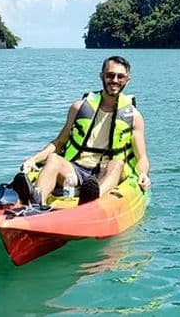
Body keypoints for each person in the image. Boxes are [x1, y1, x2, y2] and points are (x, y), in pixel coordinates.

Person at [20, 56, 150, 206]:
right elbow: (59, 142)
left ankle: (91, 200)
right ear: (102, 76)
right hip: (76, 169)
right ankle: (35, 204)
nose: (114, 80)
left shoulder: (134, 116)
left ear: (127, 80)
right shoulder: (79, 108)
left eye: (120, 77)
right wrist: (33, 159)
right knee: (54, 159)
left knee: (117, 164)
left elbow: (142, 157)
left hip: (105, 172)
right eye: (110, 75)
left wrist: (143, 174)